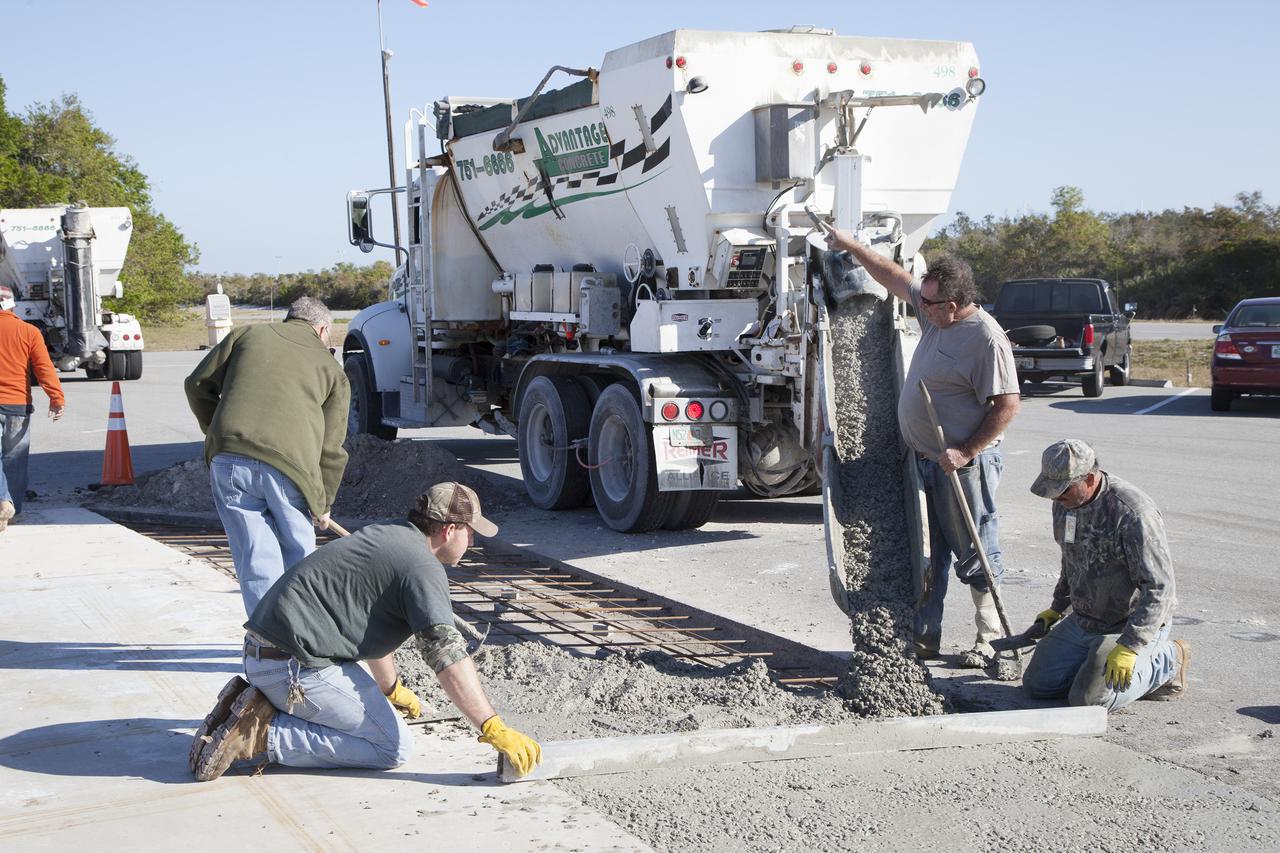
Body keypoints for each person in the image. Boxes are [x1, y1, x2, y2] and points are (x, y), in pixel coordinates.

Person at [190, 482, 542, 782]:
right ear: (449, 530)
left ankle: (253, 712)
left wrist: (390, 689)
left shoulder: (390, 535)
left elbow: (370, 624)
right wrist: (491, 726)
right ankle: (260, 735)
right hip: (292, 668)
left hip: (267, 656)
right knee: (391, 747)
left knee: (373, 726)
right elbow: (447, 655)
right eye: (471, 532)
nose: (473, 542)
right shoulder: (421, 567)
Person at [824, 231, 1020, 666]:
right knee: (934, 552)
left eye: (928, 305)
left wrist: (966, 451)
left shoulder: (985, 338)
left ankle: (990, 640)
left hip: (964, 465)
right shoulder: (936, 313)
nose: (920, 308)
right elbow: (894, 278)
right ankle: (926, 636)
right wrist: (852, 247)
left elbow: (1007, 405)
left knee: (976, 547)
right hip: (927, 460)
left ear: (952, 305)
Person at [184, 296, 349, 616]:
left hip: (230, 458)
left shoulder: (245, 335)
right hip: (292, 469)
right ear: (323, 330)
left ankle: (268, 646)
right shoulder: (331, 369)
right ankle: (301, 637)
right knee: (299, 558)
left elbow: (196, 385)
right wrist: (323, 503)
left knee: (256, 557)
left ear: (291, 319)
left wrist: (216, 428)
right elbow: (331, 448)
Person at [1021, 439, 1189, 710]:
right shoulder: (1065, 503)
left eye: (1063, 491)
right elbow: (1071, 559)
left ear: (1088, 479)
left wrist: (1131, 645)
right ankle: (1093, 665)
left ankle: (1167, 660)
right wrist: (1058, 607)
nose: (1056, 498)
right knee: (1038, 686)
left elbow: (1160, 588)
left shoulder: (1133, 514)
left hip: (1129, 623)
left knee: (1087, 702)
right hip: (1086, 619)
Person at [0, 284, 65, 531]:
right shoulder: (28, 332)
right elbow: (44, 367)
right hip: (18, 404)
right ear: (12, 304)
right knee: (14, 459)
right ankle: (12, 507)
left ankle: (2, 501)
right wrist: (56, 398)